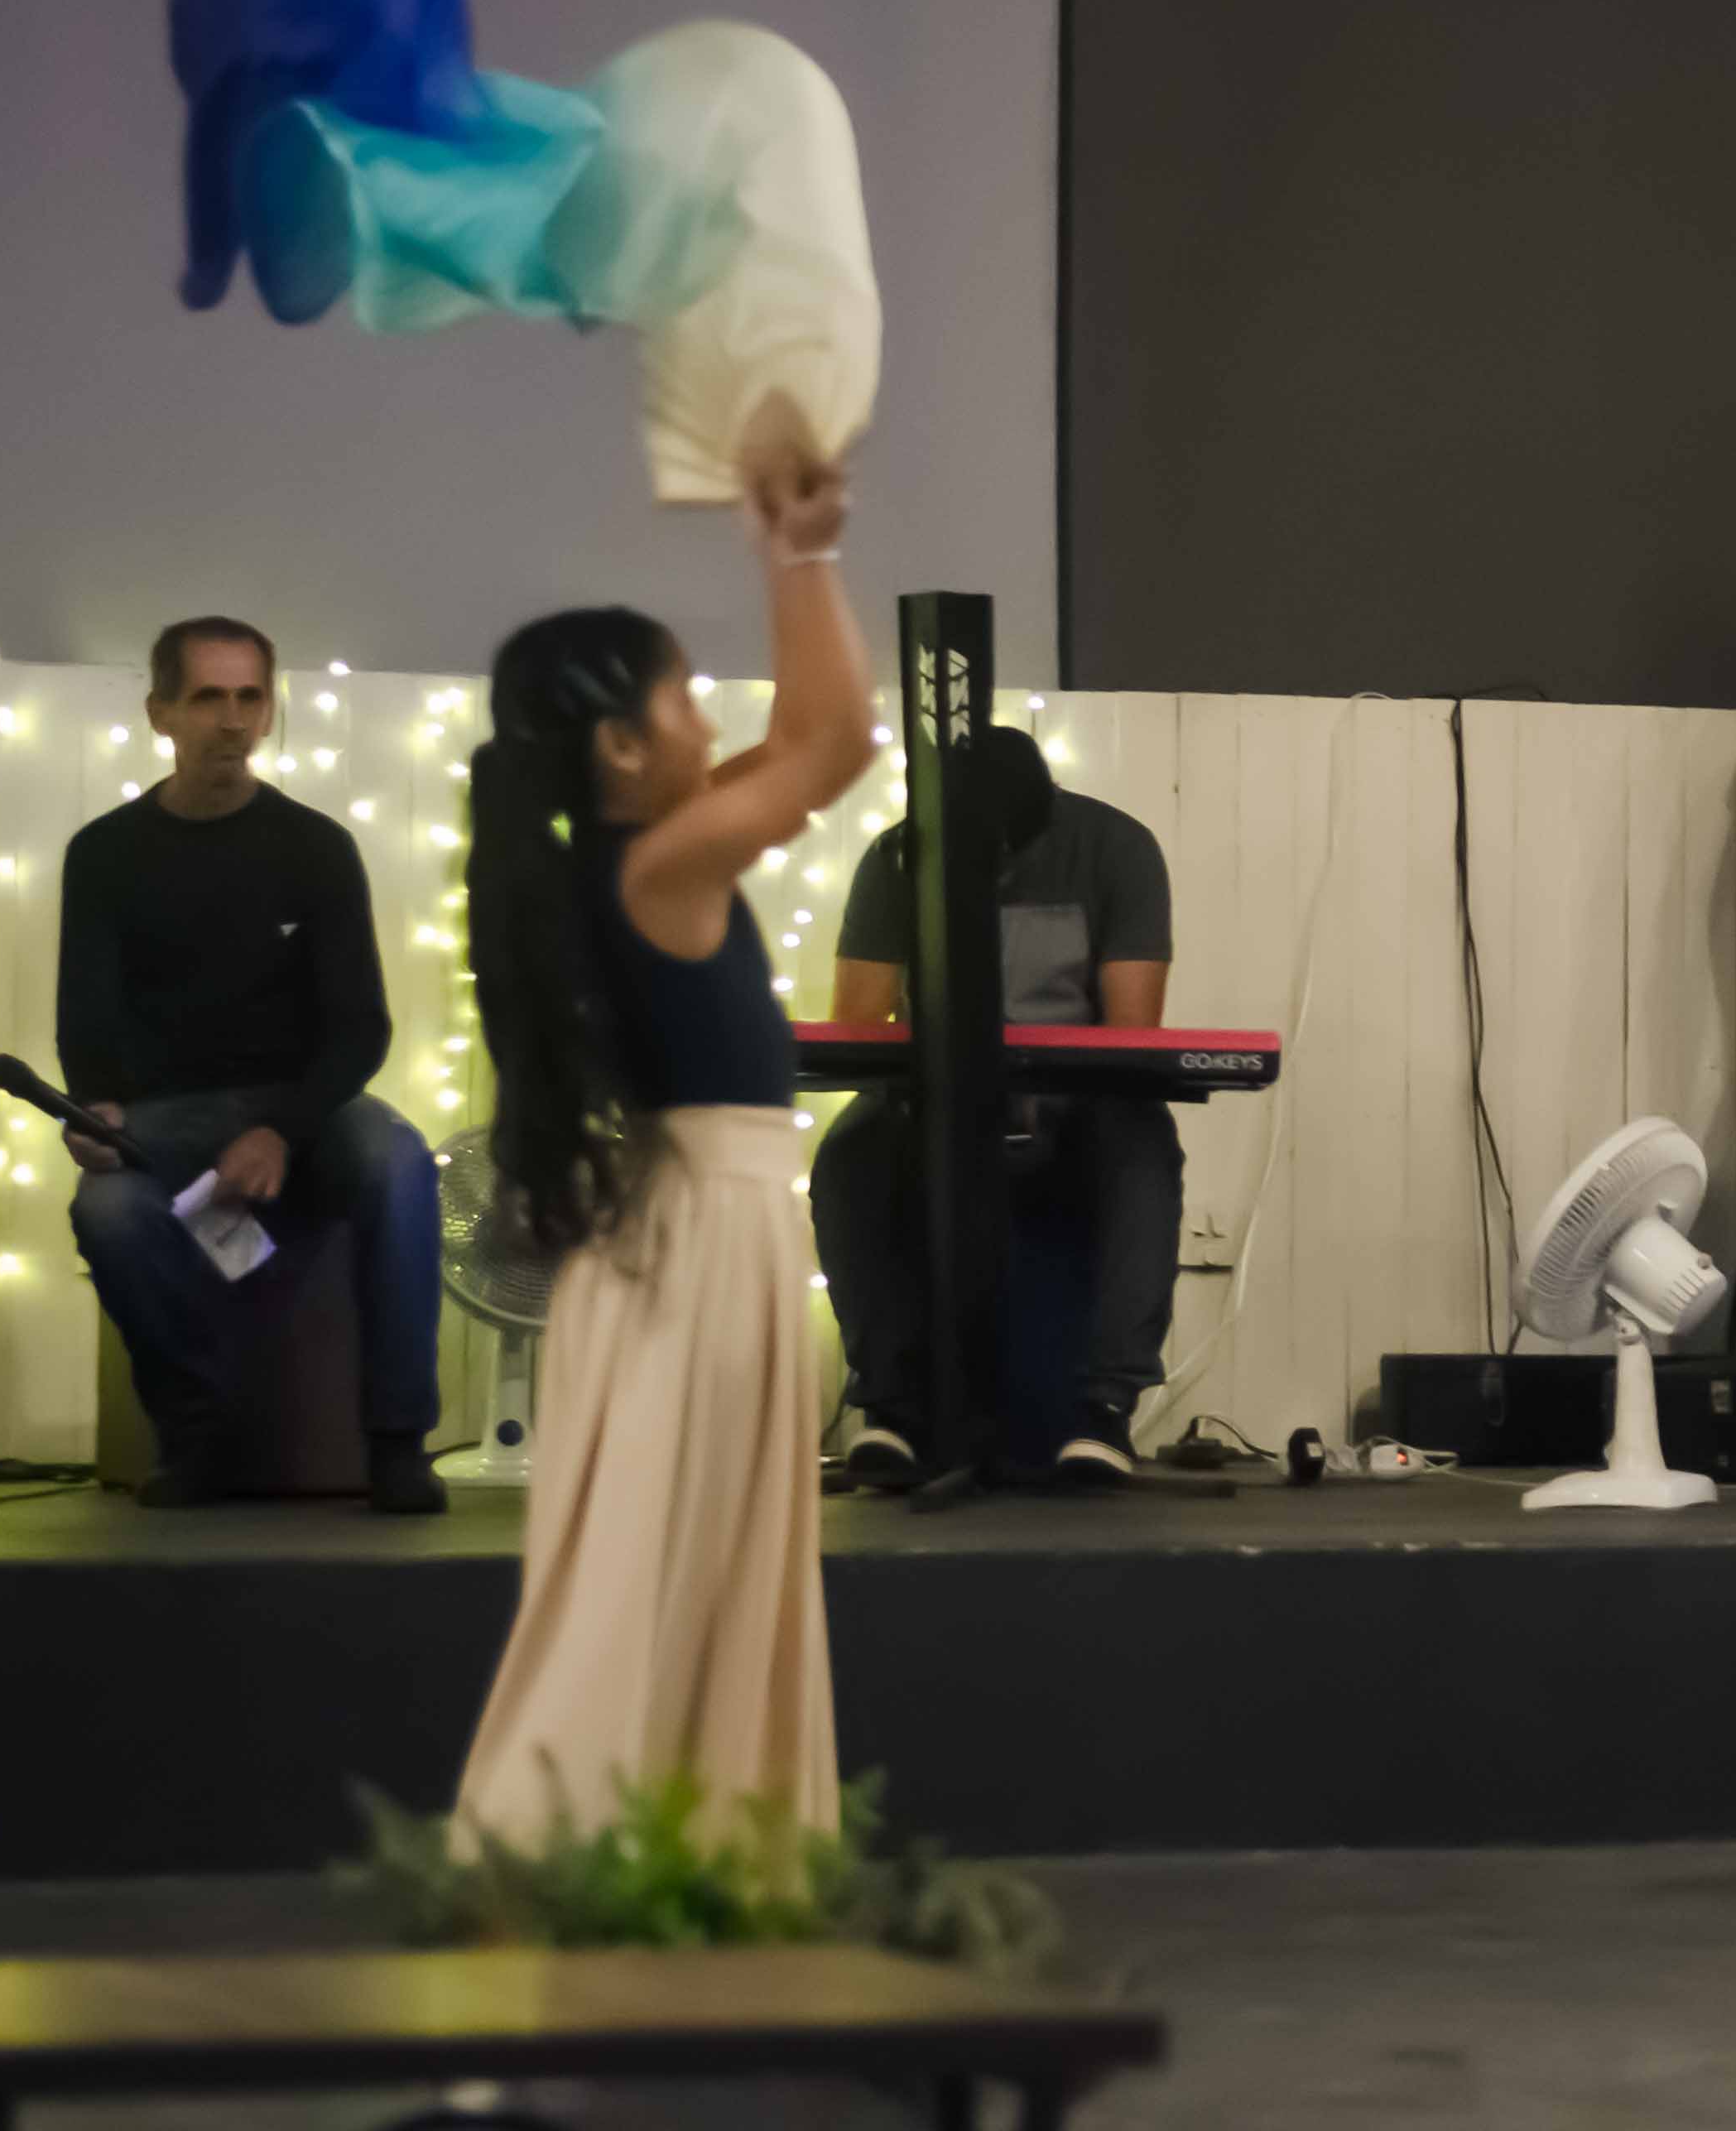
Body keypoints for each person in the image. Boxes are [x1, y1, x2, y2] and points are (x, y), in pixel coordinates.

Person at [453, 438, 874, 1844]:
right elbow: (835, 747)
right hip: (698, 1238)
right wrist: (799, 554)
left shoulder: (636, 850)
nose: (706, 715)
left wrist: (789, 556)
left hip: (690, 1230)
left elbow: (811, 730)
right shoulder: (659, 865)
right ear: (623, 745)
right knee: (665, 1563)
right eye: (682, 693)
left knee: (677, 1560)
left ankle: (683, 1838)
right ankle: (569, 1839)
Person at [57, 616, 444, 1513]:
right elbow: (87, 1023)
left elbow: (362, 1029)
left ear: (268, 711)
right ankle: (195, 1433)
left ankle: (398, 1441)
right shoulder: (104, 853)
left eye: (249, 698)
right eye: (207, 698)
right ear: (160, 713)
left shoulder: (315, 847)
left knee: (399, 1162)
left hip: (306, 1110)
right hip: (168, 1121)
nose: (231, 720)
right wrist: (95, 1110)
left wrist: (280, 1128)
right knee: (108, 1211)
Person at [809, 724, 1181, 1489]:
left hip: (1075, 1104)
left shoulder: (1116, 849)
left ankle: (1103, 1409)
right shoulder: (897, 857)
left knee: (1141, 1146)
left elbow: (1131, 1032)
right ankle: (893, 1407)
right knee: (850, 1156)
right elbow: (858, 1025)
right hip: (933, 1100)